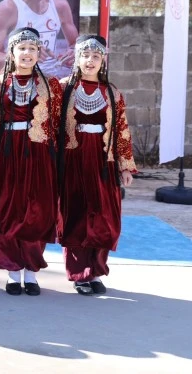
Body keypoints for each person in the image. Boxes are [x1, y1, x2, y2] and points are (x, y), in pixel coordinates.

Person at [57, 34, 137, 295]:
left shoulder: (112, 92)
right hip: (73, 159)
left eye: (95, 56)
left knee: (104, 217)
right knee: (76, 215)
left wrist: (125, 166)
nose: (90, 61)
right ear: (76, 58)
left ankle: (96, 271)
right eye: (85, 55)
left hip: (103, 161)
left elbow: (122, 130)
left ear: (103, 60)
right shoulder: (63, 88)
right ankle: (79, 274)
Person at [0, 27, 62, 296]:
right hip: (8, 153)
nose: (27, 53)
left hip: (38, 153)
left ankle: (31, 272)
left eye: (32, 49)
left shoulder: (50, 86)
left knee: (36, 211)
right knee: (10, 209)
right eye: (22, 48)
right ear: (12, 52)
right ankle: (12, 272)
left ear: (38, 53)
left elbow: (57, 124)